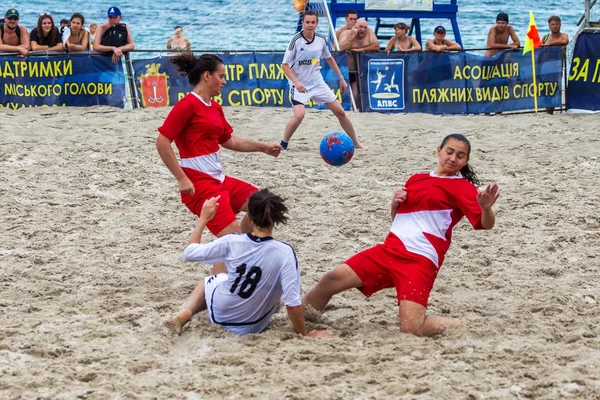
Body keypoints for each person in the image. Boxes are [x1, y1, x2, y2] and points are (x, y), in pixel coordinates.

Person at [305, 134, 500, 337]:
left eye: (460, 156)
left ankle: (465, 323)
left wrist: (486, 208)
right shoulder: (416, 179)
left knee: (412, 328)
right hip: (388, 250)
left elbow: (486, 225)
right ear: (438, 151)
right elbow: (401, 221)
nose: (453, 158)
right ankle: (302, 321)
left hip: (419, 260)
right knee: (331, 280)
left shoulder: (463, 188)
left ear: (466, 161)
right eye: (449, 152)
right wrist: (394, 206)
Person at [156, 53, 282, 254]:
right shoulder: (187, 105)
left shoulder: (215, 107)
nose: (224, 81)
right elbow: (162, 142)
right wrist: (181, 178)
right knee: (237, 246)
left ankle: (236, 244)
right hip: (200, 186)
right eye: (221, 76)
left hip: (220, 180)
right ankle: (235, 248)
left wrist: (264, 147)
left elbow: (229, 140)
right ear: (207, 76)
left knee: (265, 205)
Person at [169, 190, 333, 337]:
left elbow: (189, 253)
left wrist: (203, 219)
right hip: (252, 326)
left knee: (209, 281)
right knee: (270, 290)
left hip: (219, 315)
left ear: (249, 217)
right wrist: (304, 334)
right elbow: (292, 304)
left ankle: (187, 311)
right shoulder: (285, 252)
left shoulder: (232, 241)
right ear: (275, 219)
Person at [281, 11, 364, 151]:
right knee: (299, 115)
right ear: (303, 23)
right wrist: (296, 82)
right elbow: (284, 65)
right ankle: (283, 144)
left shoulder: (321, 40)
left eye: (313, 22)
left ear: (317, 24)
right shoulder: (296, 40)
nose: (310, 25)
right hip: (299, 84)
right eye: (307, 22)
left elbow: (329, 58)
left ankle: (356, 143)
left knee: (341, 112)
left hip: (317, 83)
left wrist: (342, 79)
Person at [338, 18, 380, 110]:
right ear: (354, 26)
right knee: (342, 94)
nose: (363, 30)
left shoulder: (369, 32)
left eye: (365, 27)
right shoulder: (346, 33)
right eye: (360, 27)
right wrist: (352, 35)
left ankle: (353, 112)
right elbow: (341, 49)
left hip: (358, 71)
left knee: (356, 94)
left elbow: (376, 46)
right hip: (344, 71)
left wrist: (358, 50)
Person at [542, 16, 569, 115]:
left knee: (554, 87)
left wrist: (551, 44)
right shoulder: (545, 37)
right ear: (549, 25)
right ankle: (547, 109)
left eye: (556, 24)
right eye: (552, 24)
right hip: (545, 66)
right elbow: (540, 52)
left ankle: (551, 109)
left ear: (560, 25)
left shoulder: (563, 36)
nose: (555, 26)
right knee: (545, 88)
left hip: (557, 66)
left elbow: (565, 41)